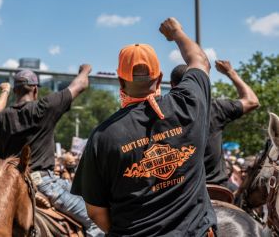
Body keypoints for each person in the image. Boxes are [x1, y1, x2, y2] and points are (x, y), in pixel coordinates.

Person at [72, 18, 217, 236]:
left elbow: (95, 212)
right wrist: (177, 33)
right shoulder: (188, 103)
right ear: (159, 79)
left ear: (121, 82)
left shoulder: (103, 136)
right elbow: (200, 61)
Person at [0, 67, 104, 236]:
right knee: (96, 220)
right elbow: (79, 85)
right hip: (43, 183)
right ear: (35, 89)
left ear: (15, 91)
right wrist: (84, 70)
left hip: (9, 185)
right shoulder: (44, 107)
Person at [170, 60, 259, 190]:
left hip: (182, 191)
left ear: (172, 85)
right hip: (218, 187)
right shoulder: (215, 108)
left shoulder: (163, 113)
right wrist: (230, 72)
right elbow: (252, 101)